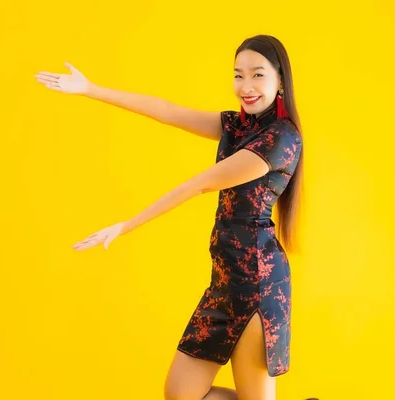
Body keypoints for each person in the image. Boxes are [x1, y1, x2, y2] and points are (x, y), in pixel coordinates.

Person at [36, 34, 304, 400]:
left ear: (280, 81)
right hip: (225, 280)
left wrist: (125, 225)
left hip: (259, 283)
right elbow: (167, 111)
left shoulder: (282, 138)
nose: (246, 86)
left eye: (257, 75)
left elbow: (202, 184)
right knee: (181, 393)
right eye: (238, 75)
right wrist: (90, 89)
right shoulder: (237, 126)